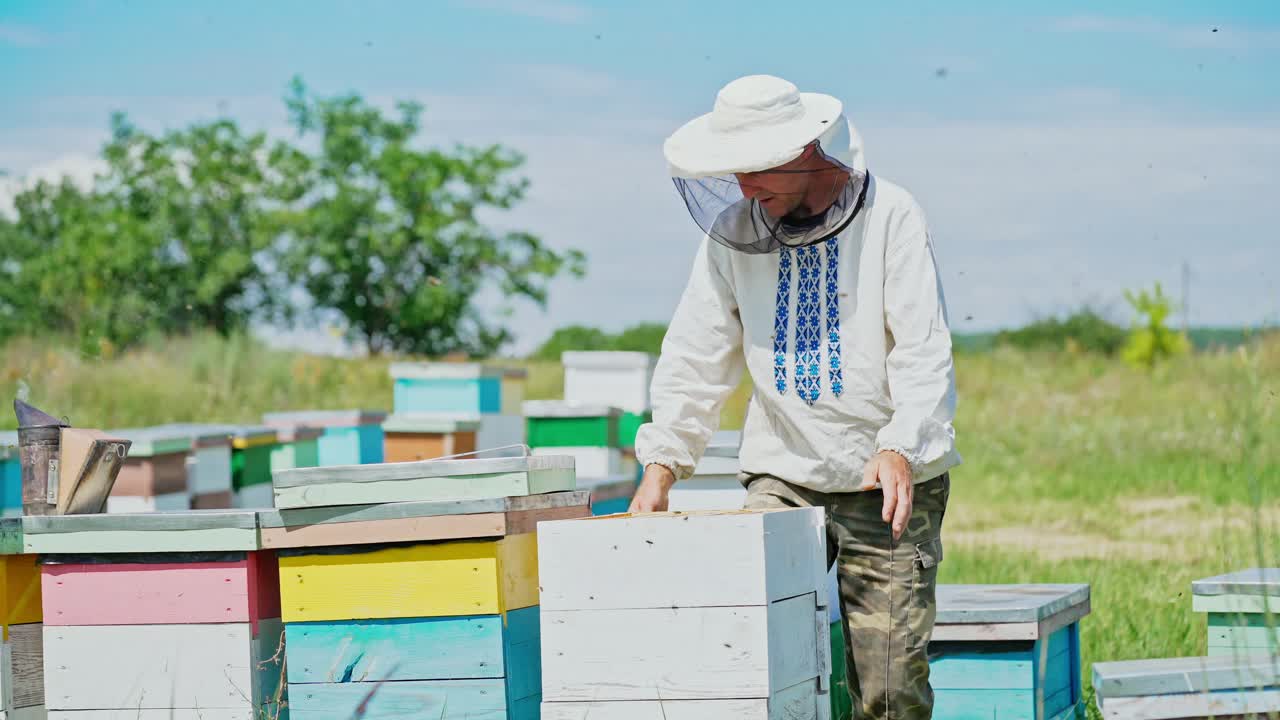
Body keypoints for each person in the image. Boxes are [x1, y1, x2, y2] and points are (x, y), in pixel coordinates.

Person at [631, 74, 961, 720]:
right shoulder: (730, 235)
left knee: (890, 687)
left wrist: (899, 446)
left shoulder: (892, 216)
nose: (743, 188)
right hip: (781, 476)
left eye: (755, 171)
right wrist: (663, 463)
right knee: (756, 663)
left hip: (886, 488)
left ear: (801, 152)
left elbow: (924, 351)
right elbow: (695, 354)